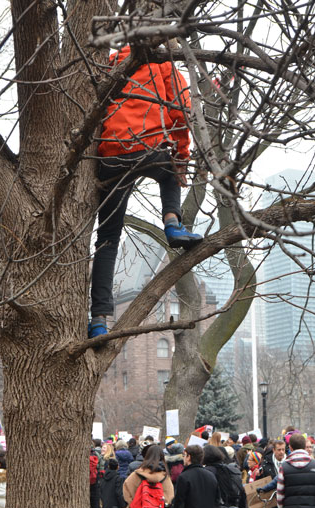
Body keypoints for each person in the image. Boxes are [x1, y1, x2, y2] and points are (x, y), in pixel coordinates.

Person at [89, 44, 202, 338]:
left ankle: (99, 319)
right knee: (170, 171)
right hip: (148, 147)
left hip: (110, 155)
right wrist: (181, 159)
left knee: (108, 238)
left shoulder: (111, 63)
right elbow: (181, 110)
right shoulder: (163, 63)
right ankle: (172, 224)